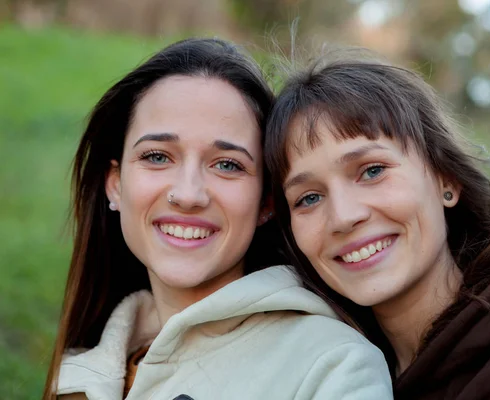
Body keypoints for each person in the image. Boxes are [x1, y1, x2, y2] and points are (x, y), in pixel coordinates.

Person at [43, 39, 393, 400]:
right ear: (115, 185)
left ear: (266, 203)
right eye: (158, 157)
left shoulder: (333, 366)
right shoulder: (81, 371)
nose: (189, 194)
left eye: (227, 164)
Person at [265, 53, 490, 399]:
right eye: (308, 198)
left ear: (447, 180)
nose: (344, 217)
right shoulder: (328, 370)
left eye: (372, 170)